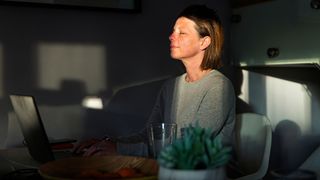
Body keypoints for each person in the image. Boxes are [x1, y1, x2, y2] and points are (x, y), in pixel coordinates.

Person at [73, 4, 235, 157]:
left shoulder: (218, 87)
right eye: (173, 31)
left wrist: (120, 149)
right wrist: (107, 143)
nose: (171, 36)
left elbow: (188, 147)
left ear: (204, 42)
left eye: (182, 33)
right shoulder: (171, 87)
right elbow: (149, 135)